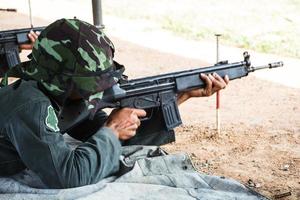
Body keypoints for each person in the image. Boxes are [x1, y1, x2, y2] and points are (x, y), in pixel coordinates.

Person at [0, 18, 229, 189]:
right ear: (63, 81)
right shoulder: (30, 105)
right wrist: (112, 130)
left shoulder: (62, 95)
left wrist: (181, 95)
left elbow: (113, 135)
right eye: (91, 85)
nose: (100, 89)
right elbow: (69, 176)